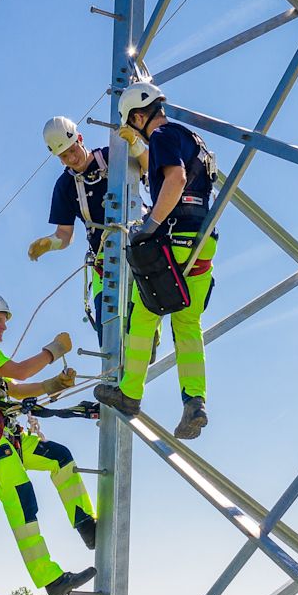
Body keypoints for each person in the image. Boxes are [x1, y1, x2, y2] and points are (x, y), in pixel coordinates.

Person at [0, 291, 98, 595]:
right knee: (21, 497)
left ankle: (86, 524)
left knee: (59, 457)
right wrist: (53, 351)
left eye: (3, 320)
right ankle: (51, 578)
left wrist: (52, 385)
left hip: (4, 434)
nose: (3, 326)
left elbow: (14, 389)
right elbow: (21, 371)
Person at [94, 81, 218, 440]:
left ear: (137, 116)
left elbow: (175, 179)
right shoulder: (193, 139)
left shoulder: (163, 135)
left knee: (143, 314)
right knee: (188, 322)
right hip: (202, 244)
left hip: (172, 241)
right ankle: (195, 401)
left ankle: (130, 393)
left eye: (133, 126)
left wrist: (149, 225)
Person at [28, 116, 144, 342]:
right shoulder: (65, 186)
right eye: (64, 156)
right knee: (107, 329)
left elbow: (149, 169)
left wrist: (136, 146)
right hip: (104, 261)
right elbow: (65, 235)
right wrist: (48, 244)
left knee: (140, 321)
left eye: (73, 150)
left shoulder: (114, 157)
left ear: (80, 139)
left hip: (138, 247)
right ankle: (112, 374)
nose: (72, 158)